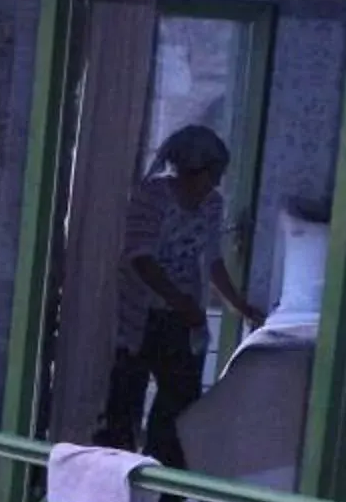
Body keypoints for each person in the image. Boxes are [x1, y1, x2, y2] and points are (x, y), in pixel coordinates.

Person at [102, 125, 265, 468]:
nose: (215, 183)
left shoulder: (211, 204)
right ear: (192, 169)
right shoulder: (152, 197)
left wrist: (240, 305)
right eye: (212, 174)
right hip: (140, 315)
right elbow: (139, 258)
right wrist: (178, 301)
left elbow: (212, 260)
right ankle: (116, 480)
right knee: (125, 399)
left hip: (183, 317)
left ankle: (168, 488)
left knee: (181, 404)